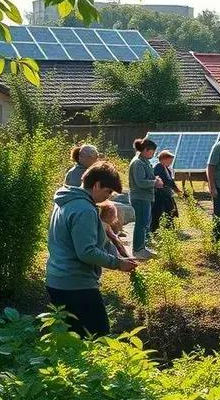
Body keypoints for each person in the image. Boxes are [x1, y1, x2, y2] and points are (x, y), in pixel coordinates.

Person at [45, 162, 138, 337]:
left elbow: (97, 241)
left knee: (72, 339)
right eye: (108, 191)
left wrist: (119, 255)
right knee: (98, 337)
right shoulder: (84, 210)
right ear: (96, 185)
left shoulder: (66, 201)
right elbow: (86, 252)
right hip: (76, 284)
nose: (108, 197)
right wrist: (117, 264)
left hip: (56, 280)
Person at [128, 138, 163, 259]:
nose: (153, 155)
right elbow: (140, 182)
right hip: (140, 197)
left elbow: (147, 176)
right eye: (152, 152)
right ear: (145, 150)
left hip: (145, 197)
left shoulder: (144, 161)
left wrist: (155, 178)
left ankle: (142, 246)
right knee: (141, 223)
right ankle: (138, 250)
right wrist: (155, 183)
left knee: (144, 223)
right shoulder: (138, 162)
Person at [151, 149, 182, 231]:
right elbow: (164, 181)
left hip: (166, 194)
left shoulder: (167, 169)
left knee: (170, 211)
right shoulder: (158, 168)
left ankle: (169, 229)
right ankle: (155, 231)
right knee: (158, 213)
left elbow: (171, 181)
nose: (171, 162)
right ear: (164, 159)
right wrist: (174, 188)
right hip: (160, 195)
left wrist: (177, 190)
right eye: (170, 160)